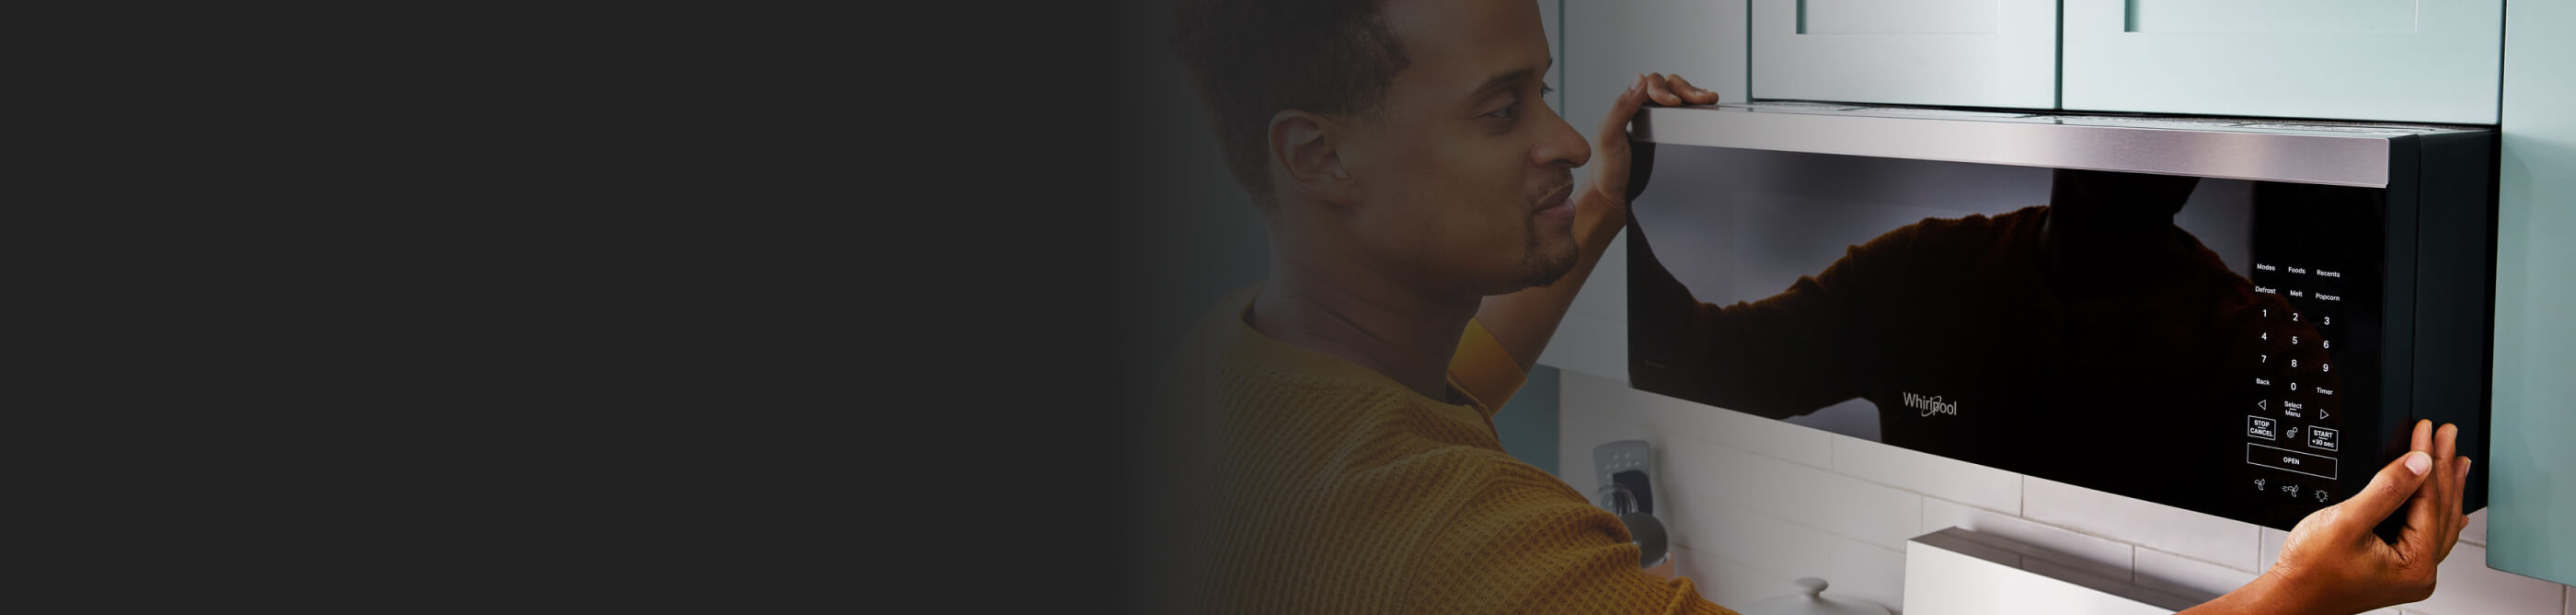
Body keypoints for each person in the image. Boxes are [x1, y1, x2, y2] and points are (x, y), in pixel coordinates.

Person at [1156, 0, 2472, 613]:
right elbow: (1728, 357)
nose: (1560, 136)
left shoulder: (1244, 385)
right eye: (1503, 108)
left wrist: (1606, 208)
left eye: (1543, 87)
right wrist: (2297, 597)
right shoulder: (1453, 547)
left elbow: (1469, 373)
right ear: (1314, 157)